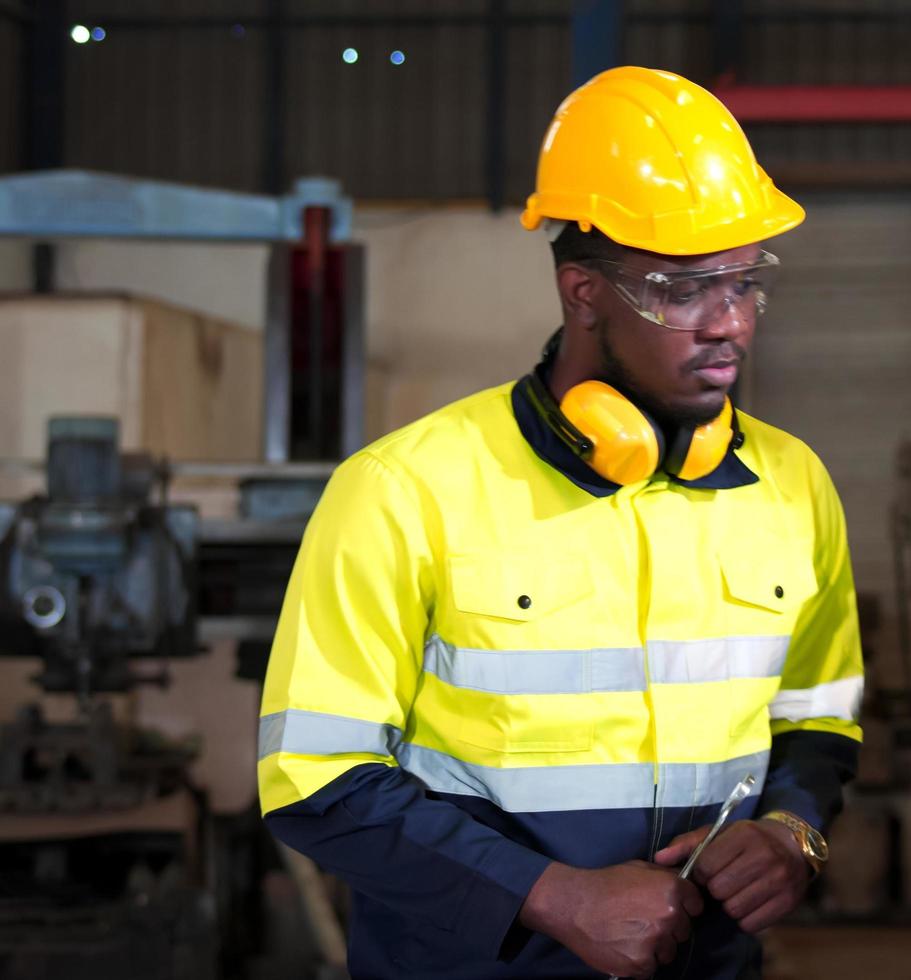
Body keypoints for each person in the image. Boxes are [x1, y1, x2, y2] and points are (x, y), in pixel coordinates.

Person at [257, 66, 863, 980]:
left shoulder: (790, 482)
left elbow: (821, 716)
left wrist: (792, 830)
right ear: (582, 293)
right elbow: (311, 777)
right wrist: (549, 895)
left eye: (743, 285)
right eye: (685, 289)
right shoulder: (404, 488)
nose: (729, 325)